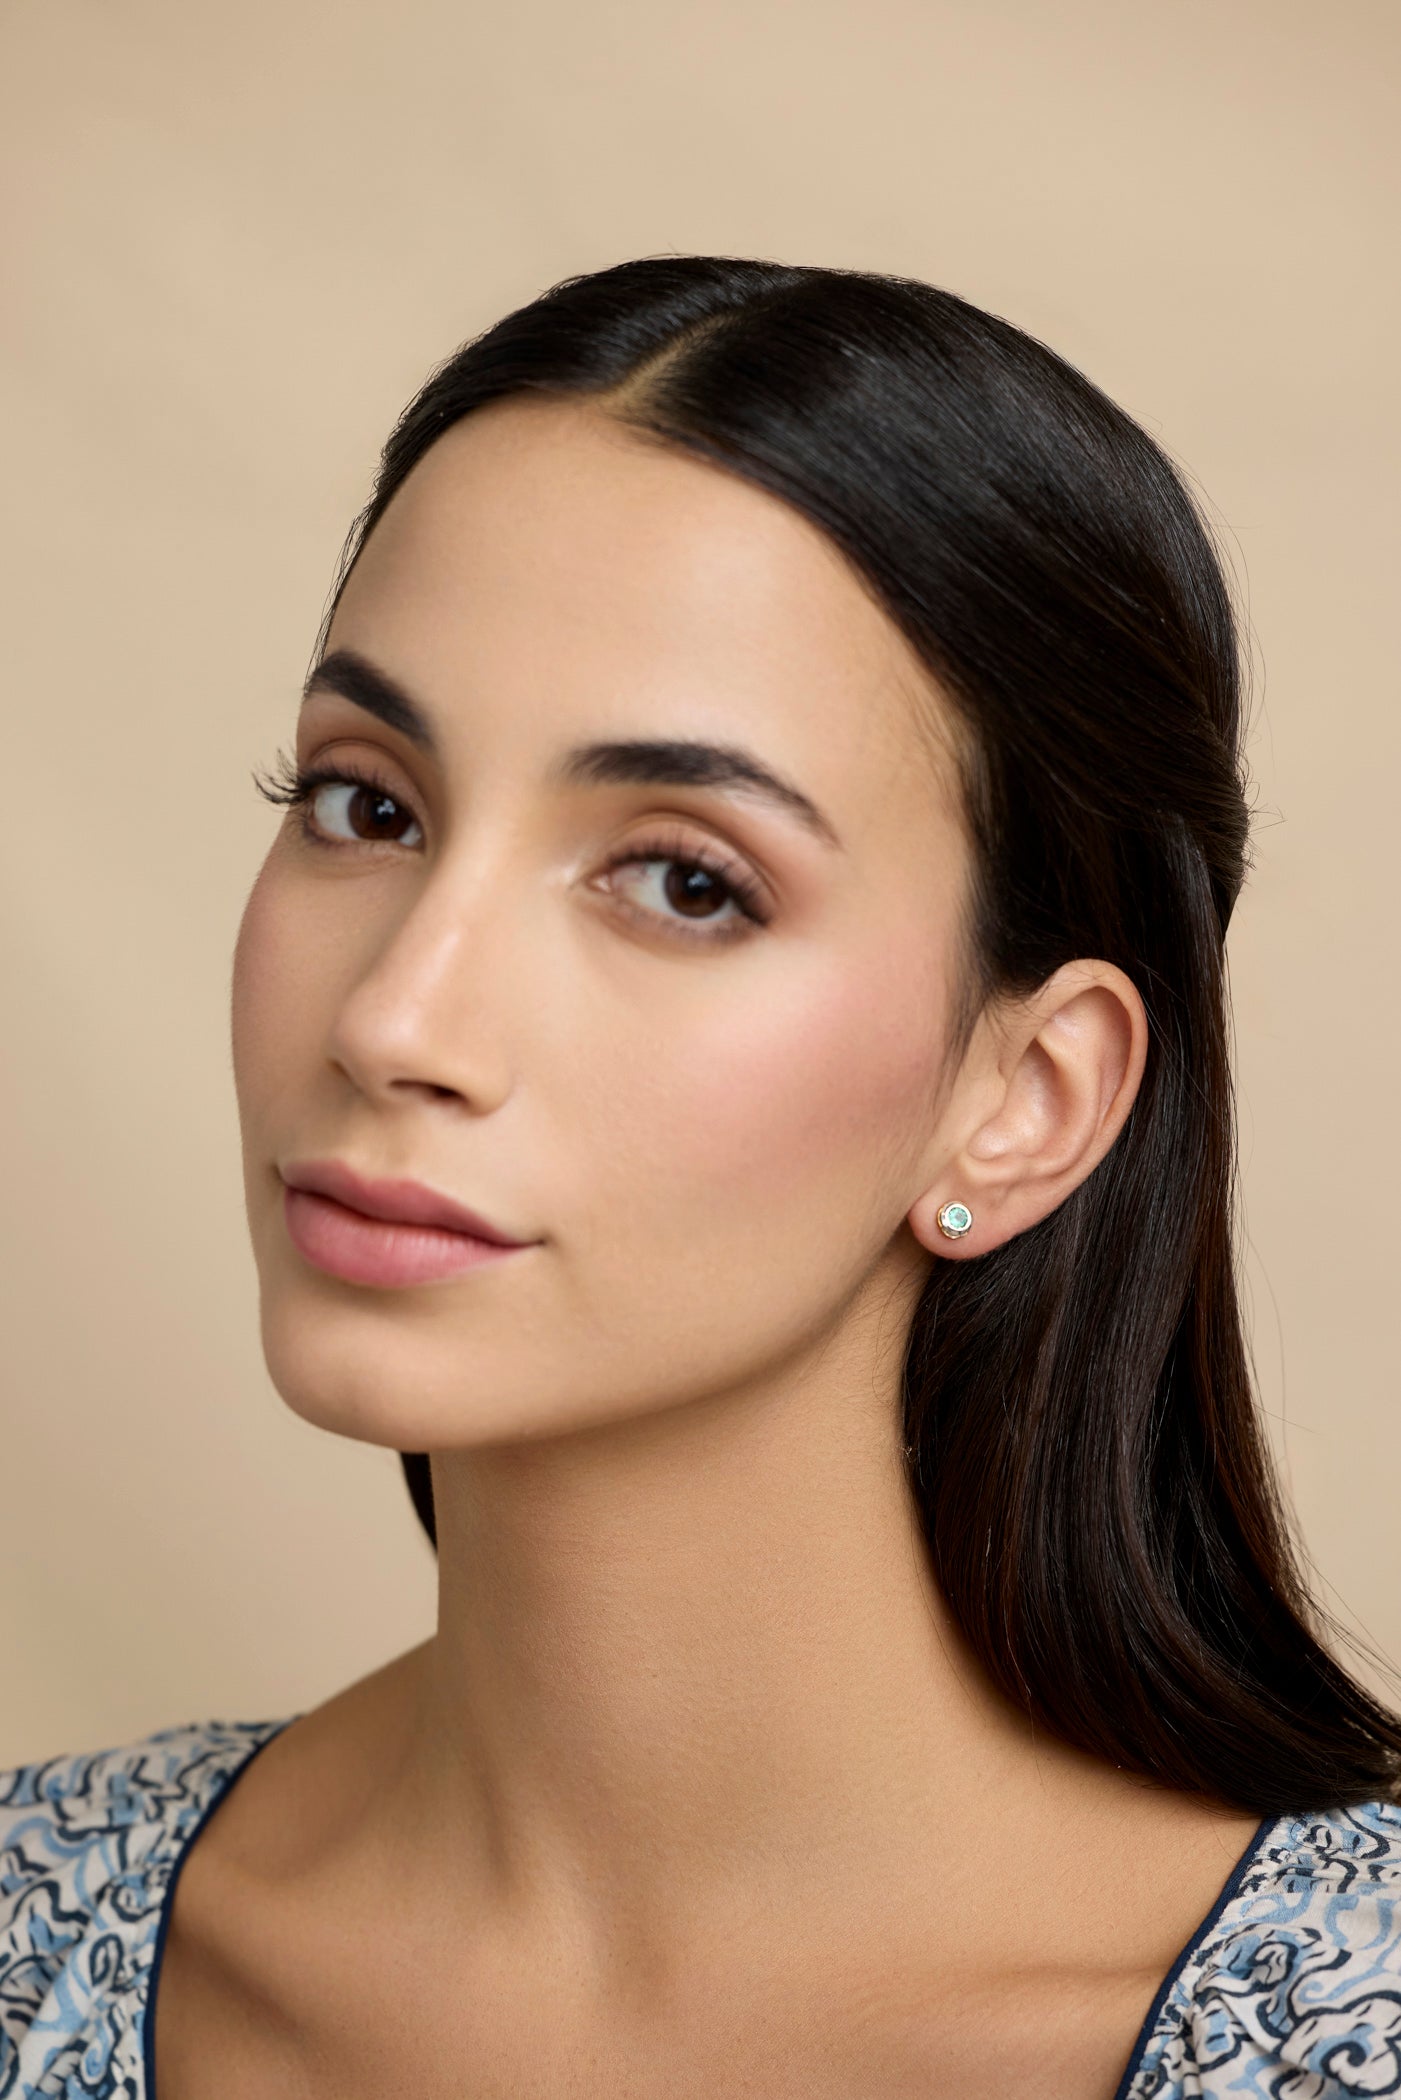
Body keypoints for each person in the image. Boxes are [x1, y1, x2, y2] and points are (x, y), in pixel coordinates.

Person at [3, 255, 1399, 2100]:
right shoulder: (36, 1928)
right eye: (370, 804)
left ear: (1027, 1096)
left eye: (683, 879)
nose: (398, 1018)